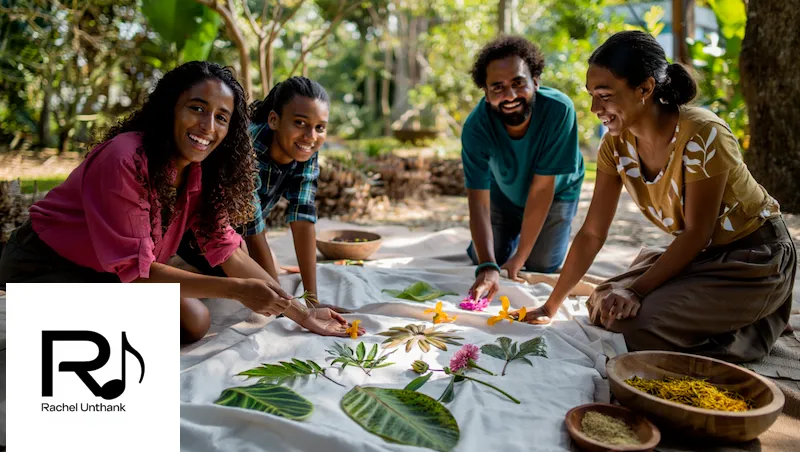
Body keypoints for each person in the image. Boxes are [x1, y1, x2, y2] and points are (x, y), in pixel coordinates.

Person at [0, 62, 363, 343]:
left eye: (221, 117)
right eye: (197, 108)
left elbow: (226, 249)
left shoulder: (202, 169)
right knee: (191, 317)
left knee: (194, 321)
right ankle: (40, 320)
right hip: (43, 265)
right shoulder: (125, 158)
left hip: (110, 271)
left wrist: (301, 312)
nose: (208, 125)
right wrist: (236, 290)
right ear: (171, 108)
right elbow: (139, 272)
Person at [517, 31, 796, 363]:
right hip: (701, 257)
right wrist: (551, 305)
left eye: (604, 95)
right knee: (603, 303)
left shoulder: (703, 134)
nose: (595, 108)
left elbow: (697, 233)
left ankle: (756, 322)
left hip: (754, 257)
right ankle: (724, 311)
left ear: (645, 89)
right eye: (592, 95)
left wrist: (636, 289)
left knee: (637, 328)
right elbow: (592, 233)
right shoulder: (614, 146)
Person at [176, 77, 342, 311]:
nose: (310, 136)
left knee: (269, 270)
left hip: (239, 233)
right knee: (258, 281)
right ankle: (180, 263)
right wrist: (290, 308)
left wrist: (312, 302)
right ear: (274, 120)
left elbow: (302, 217)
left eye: (319, 127)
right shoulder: (246, 148)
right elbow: (253, 229)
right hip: (202, 233)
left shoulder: (305, 147)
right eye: (300, 123)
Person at [463, 35, 585, 301]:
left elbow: (542, 190)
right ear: (485, 93)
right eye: (497, 87)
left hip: (556, 193)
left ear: (536, 82)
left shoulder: (559, 110)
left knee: (540, 265)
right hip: (504, 191)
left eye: (519, 83)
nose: (510, 95)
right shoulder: (475, 127)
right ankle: (514, 233)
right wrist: (487, 265)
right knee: (480, 256)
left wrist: (519, 257)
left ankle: (525, 239)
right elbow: (478, 201)